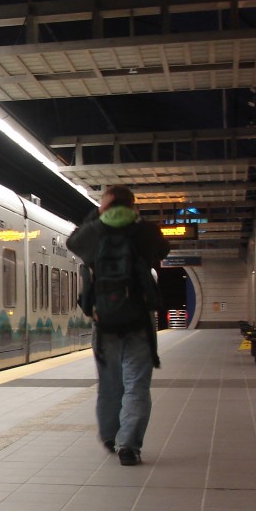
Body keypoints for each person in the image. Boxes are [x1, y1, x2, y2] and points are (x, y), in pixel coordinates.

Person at [66, 185, 170, 466]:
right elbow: (163, 249)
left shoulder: (94, 231)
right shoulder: (145, 231)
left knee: (110, 384)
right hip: (140, 320)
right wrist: (137, 222)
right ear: (133, 207)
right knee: (136, 385)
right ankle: (130, 446)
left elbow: (72, 243)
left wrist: (95, 217)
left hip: (105, 319)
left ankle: (111, 437)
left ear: (104, 206)